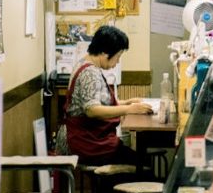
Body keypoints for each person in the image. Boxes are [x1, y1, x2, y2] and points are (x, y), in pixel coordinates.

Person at [56, 25, 152, 166]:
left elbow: (97, 101)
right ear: (105, 53)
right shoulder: (90, 73)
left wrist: (126, 102)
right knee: (140, 166)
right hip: (83, 141)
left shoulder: (85, 63)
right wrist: (129, 109)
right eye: (118, 56)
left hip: (85, 136)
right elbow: (92, 110)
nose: (117, 62)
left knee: (137, 160)